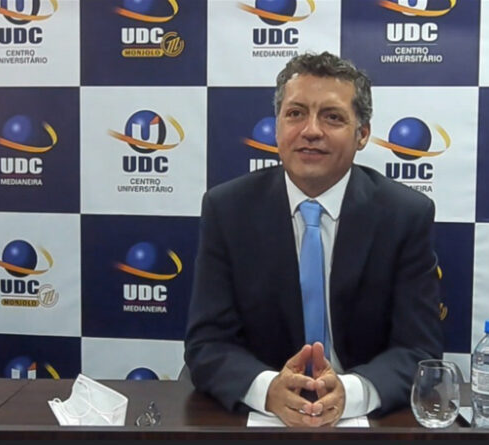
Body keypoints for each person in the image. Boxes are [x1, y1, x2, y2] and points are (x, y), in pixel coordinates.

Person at [184, 51, 443, 427]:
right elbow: (207, 344)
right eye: (295, 113)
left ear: (362, 134)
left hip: (360, 419)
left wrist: (351, 393)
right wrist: (268, 389)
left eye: (332, 117)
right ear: (277, 127)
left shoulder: (404, 214)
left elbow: (418, 349)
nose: (311, 131)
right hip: (259, 418)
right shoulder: (227, 209)